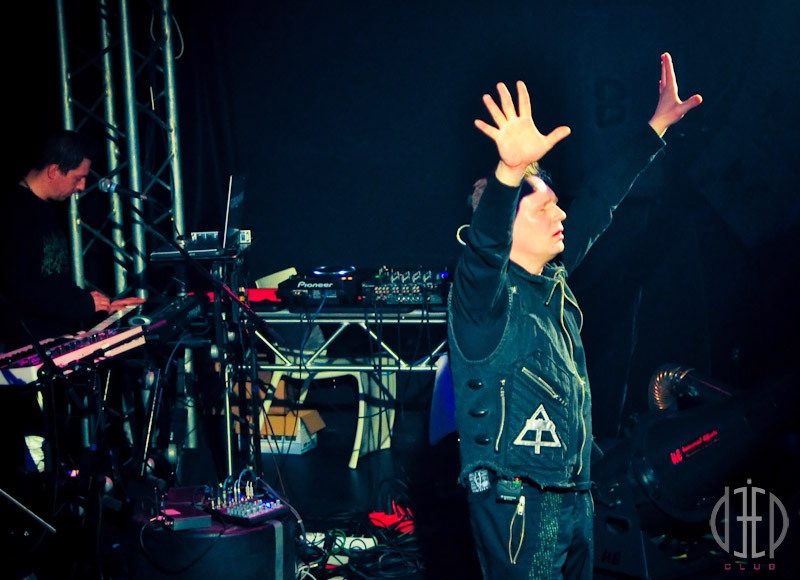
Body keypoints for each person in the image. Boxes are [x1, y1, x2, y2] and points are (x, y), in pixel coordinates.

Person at [446, 52, 702, 579]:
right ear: (507, 226)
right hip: (518, 503)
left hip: (575, 492)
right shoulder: (482, 300)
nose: (560, 213)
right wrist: (509, 172)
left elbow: (601, 199)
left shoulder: (551, 280)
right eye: (543, 208)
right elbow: (486, 245)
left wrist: (656, 127)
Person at [0, 129, 144, 580]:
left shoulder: (46, 212)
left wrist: (94, 304)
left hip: (52, 348)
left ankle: (73, 525)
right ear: (53, 170)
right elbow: (21, 289)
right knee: (32, 455)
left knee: (61, 447)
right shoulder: (11, 213)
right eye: (78, 178)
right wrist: (83, 305)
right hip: (21, 355)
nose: (83, 187)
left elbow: (51, 282)